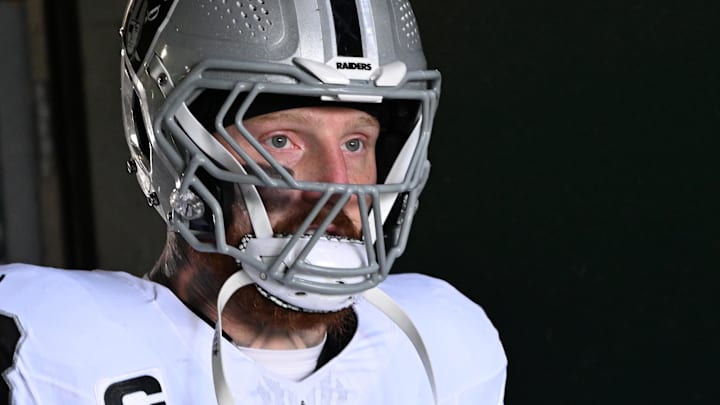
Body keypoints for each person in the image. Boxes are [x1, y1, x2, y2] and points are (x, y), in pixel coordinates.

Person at [0, 0, 507, 403]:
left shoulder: (446, 348)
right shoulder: (40, 346)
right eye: (283, 140)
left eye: (356, 143)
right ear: (173, 145)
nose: (335, 184)